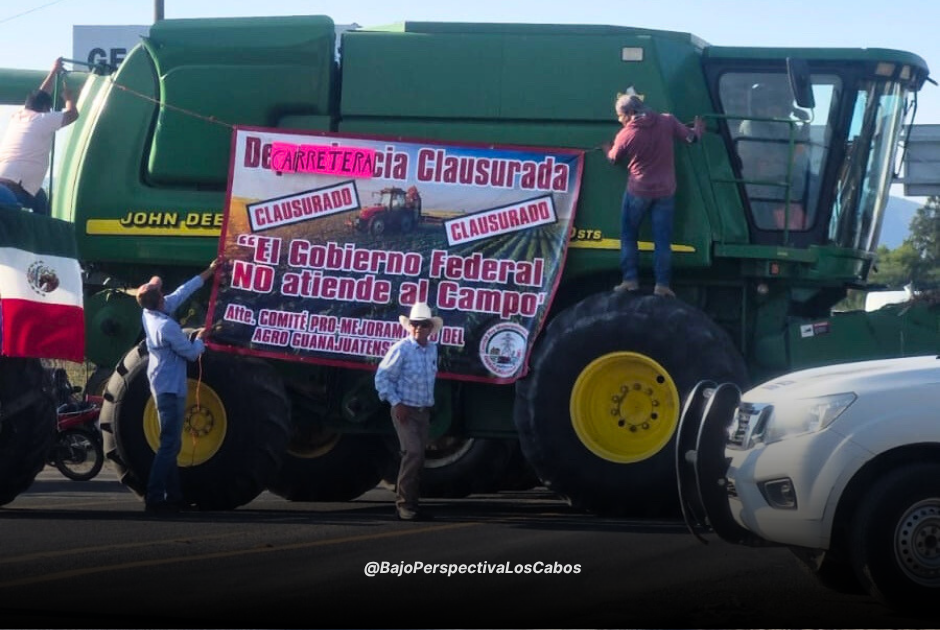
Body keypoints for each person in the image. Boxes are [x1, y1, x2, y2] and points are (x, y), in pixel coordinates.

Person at [137, 256, 223, 514]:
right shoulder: (166, 326)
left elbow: (183, 291)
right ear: (160, 300)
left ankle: (173, 496)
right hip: (170, 388)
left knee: (171, 445)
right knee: (169, 445)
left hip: (162, 384)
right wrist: (201, 338)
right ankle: (154, 497)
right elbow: (191, 354)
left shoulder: (150, 312)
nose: (165, 294)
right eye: (161, 293)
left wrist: (209, 271)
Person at [607, 94, 704, 297]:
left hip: (638, 192)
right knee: (662, 241)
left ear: (630, 113)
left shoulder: (626, 134)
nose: (619, 119)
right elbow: (691, 138)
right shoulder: (667, 121)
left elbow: (614, 159)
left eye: (620, 115)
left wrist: (607, 149)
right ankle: (662, 285)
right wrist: (697, 130)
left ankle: (630, 280)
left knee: (628, 235)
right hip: (665, 192)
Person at [374, 302, 442, 521]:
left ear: (430, 328)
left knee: (418, 457)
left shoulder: (432, 349)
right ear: (409, 325)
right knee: (412, 454)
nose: (418, 328)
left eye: (423, 324)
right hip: (405, 410)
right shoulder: (401, 349)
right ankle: (404, 505)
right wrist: (396, 403)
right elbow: (382, 378)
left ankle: (412, 504)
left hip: (423, 411)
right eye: (415, 324)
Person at [0, 57, 79, 215]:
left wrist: (53, 71)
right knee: (42, 215)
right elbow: (72, 115)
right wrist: (69, 98)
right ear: (44, 108)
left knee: (40, 196)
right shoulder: (43, 119)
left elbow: (41, 94)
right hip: (18, 190)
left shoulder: (18, 117)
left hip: (5, 183)